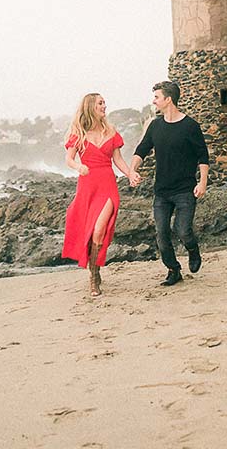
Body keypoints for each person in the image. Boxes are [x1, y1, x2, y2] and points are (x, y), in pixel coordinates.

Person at [128, 80, 209, 287]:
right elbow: (141, 150)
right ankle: (173, 270)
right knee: (162, 234)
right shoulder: (155, 126)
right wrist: (132, 171)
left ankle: (192, 249)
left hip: (185, 191)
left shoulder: (190, 126)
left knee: (183, 231)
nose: (153, 101)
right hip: (162, 192)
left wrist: (202, 183)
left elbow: (203, 157)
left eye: (156, 97)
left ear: (168, 99)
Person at [63, 93, 136, 296]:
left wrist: (130, 173)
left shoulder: (111, 131)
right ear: (90, 107)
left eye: (104, 102)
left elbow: (118, 160)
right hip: (87, 186)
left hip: (107, 185)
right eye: (100, 103)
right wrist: (79, 166)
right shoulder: (79, 133)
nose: (104, 106)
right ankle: (94, 272)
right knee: (89, 230)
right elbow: (69, 159)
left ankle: (94, 276)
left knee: (99, 230)